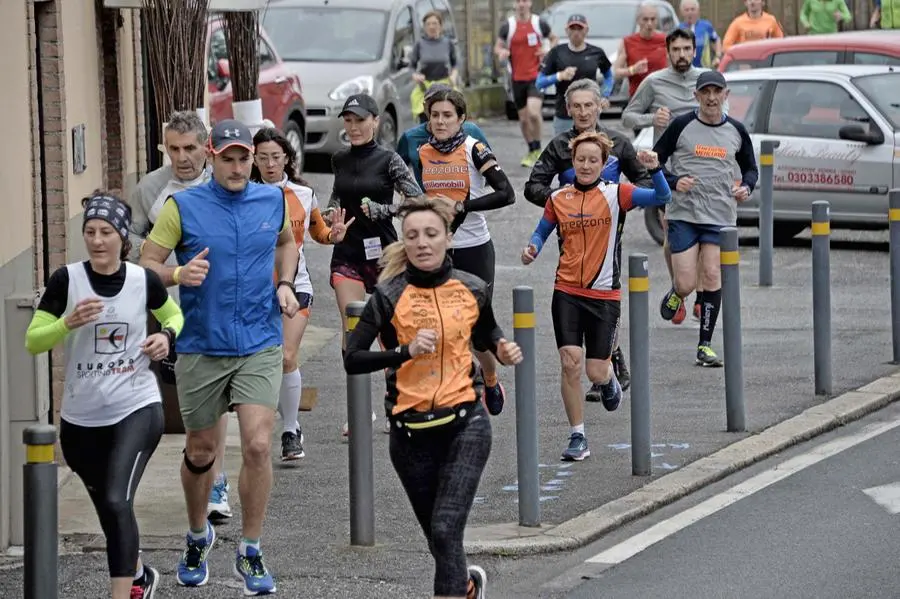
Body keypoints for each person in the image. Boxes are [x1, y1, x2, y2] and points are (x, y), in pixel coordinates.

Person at [140, 119, 300, 595]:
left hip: (258, 342)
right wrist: (177, 274)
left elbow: (287, 242)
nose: (236, 166)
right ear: (211, 157)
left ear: (254, 159)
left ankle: (250, 549)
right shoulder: (182, 206)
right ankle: (197, 534)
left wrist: (286, 284)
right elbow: (146, 263)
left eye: (243, 158)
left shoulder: (271, 200)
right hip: (202, 345)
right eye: (226, 158)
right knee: (202, 451)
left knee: (256, 445)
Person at [344, 197, 524, 599]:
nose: (422, 243)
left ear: (448, 237)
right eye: (412, 236)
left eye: (431, 234)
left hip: (466, 423)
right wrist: (403, 352)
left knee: (445, 530)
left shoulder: (472, 287)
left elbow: (484, 332)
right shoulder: (388, 295)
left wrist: (501, 347)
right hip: (410, 435)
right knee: (441, 541)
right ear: (403, 242)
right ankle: (467, 586)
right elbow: (352, 359)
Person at [26, 192, 184, 599]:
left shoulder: (141, 279)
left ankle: (123, 593)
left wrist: (165, 338)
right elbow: (32, 341)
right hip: (80, 422)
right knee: (111, 510)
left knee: (116, 499)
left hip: (136, 406)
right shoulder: (67, 280)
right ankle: (140, 573)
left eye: (106, 232)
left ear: (122, 239)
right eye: (90, 232)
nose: (97, 240)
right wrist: (66, 323)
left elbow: (174, 315)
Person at [521, 132, 671, 461]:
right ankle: (578, 435)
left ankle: (608, 380)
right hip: (566, 292)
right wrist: (533, 247)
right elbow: (543, 228)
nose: (586, 166)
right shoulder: (559, 197)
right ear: (572, 164)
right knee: (569, 363)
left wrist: (656, 169)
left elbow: (662, 196)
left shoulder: (618, 194)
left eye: (593, 160)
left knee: (594, 371)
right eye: (580, 160)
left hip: (604, 296)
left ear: (605, 164)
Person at [126, 111, 235, 524]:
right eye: (173, 149)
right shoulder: (151, 187)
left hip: (216, 301)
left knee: (217, 393)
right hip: (165, 301)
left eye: (190, 148)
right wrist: (165, 260)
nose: (182, 157)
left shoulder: (222, 179)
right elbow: (132, 237)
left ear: (207, 148)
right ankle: (196, 468)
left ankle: (217, 479)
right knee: (184, 398)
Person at [525, 79, 651, 391]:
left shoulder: (618, 144)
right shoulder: (559, 146)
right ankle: (610, 356)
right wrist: (565, 199)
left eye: (588, 105)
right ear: (568, 109)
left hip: (608, 235)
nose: (583, 112)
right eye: (576, 106)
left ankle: (607, 361)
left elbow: (645, 183)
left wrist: (615, 204)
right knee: (577, 294)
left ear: (600, 106)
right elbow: (532, 187)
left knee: (604, 291)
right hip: (570, 236)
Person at [322, 93, 424, 436]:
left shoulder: (389, 160)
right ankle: (360, 410)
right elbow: (335, 200)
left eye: (360, 121)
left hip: (385, 254)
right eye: (348, 121)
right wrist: (329, 223)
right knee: (353, 326)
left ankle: (397, 396)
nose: (353, 127)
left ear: (375, 122)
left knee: (389, 330)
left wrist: (386, 210)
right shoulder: (339, 159)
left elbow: (417, 199)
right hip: (348, 253)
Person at [251, 126, 354, 460]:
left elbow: (318, 233)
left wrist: (334, 235)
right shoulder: (243, 194)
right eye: (263, 157)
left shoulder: (303, 194)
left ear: (287, 159)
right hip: (252, 289)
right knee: (261, 361)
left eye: (276, 157)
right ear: (253, 159)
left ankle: (290, 430)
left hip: (296, 286)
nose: (269, 164)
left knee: (286, 356)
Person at [418, 88, 516, 415]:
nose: (441, 121)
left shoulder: (474, 149)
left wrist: (463, 206)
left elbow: (506, 193)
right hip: (436, 253)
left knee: (476, 332)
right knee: (442, 325)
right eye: (435, 115)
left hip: (474, 250)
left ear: (461, 119)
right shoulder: (421, 152)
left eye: (448, 115)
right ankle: (459, 383)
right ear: (428, 120)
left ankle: (488, 376)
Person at [653, 71, 758, 367]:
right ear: (696, 96)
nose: (711, 98)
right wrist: (673, 181)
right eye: (706, 92)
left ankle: (705, 345)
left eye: (717, 92)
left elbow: (750, 168)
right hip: (685, 213)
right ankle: (678, 293)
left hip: (720, 215)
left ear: (726, 95)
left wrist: (746, 187)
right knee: (687, 282)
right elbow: (656, 160)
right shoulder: (682, 125)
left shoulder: (737, 130)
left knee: (712, 275)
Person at [623, 28, 714, 324]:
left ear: (694, 49)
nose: (682, 55)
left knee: (703, 232)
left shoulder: (706, 80)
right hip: (670, 172)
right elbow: (628, 116)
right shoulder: (654, 82)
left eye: (687, 49)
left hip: (703, 168)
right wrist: (652, 118)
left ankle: (699, 294)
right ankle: (680, 290)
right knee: (673, 235)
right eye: (676, 50)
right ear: (668, 51)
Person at [494, 0, 556, 167]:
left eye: (525, 1)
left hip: (536, 76)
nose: (522, 4)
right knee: (523, 119)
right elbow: (497, 47)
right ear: (515, 4)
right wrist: (502, 52)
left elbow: (554, 39)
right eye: (518, 1)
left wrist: (548, 50)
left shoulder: (538, 23)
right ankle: (532, 149)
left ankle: (538, 148)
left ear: (530, 3)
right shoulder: (508, 26)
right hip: (517, 78)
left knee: (534, 113)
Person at [398, 83, 490, 189]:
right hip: (428, 203)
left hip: (465, 203)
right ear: (424, 106)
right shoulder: (410, 137)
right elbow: (395, 173)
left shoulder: (472, 131)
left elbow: (491, 173)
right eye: (433, 101)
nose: (439, 105)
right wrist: (412, 195)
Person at [536, 13, 613, 136]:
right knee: (563, 153)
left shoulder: (596, 52)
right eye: (572, 28)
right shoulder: (557, 52)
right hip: (564, 114)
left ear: (586, 30)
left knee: (591, 150)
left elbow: (609, 76)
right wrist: (559, 76)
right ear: (567, 30)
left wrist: (605, 95)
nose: (576, 32)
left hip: (590, 114)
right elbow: (539, 83)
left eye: (580, 28)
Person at [611, 3, 667, 102]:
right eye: (645, 19)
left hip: (661, 95)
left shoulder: (665, 40)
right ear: (638, 21)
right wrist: (633, 70)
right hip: (637, 97)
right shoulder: (628, 42)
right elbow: (616, 72)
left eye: (653, 19)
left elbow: (673, 68)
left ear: (657, 21)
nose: (649, 23)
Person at [410, 11, 459, 123]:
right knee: (427, 120)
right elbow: (411, 66)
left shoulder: (448, 43)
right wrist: (415, 76)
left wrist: (454, 75)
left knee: (448, 117)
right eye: (428, 24)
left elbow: (455, 63)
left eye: (435, 23)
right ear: (424, 27)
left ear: (441, 26)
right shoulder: (420, 44)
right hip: (425, 88)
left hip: (445, 86)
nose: (432, 26)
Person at [678, 0, 722, 67]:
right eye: (686, 10)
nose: (690, 12)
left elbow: (716, 40)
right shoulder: (678, 29)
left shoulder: (706, 26)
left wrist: (718, 57)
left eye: (693, 9)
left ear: (698, 11)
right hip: (685, 70)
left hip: (704, 69)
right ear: (682, 12)